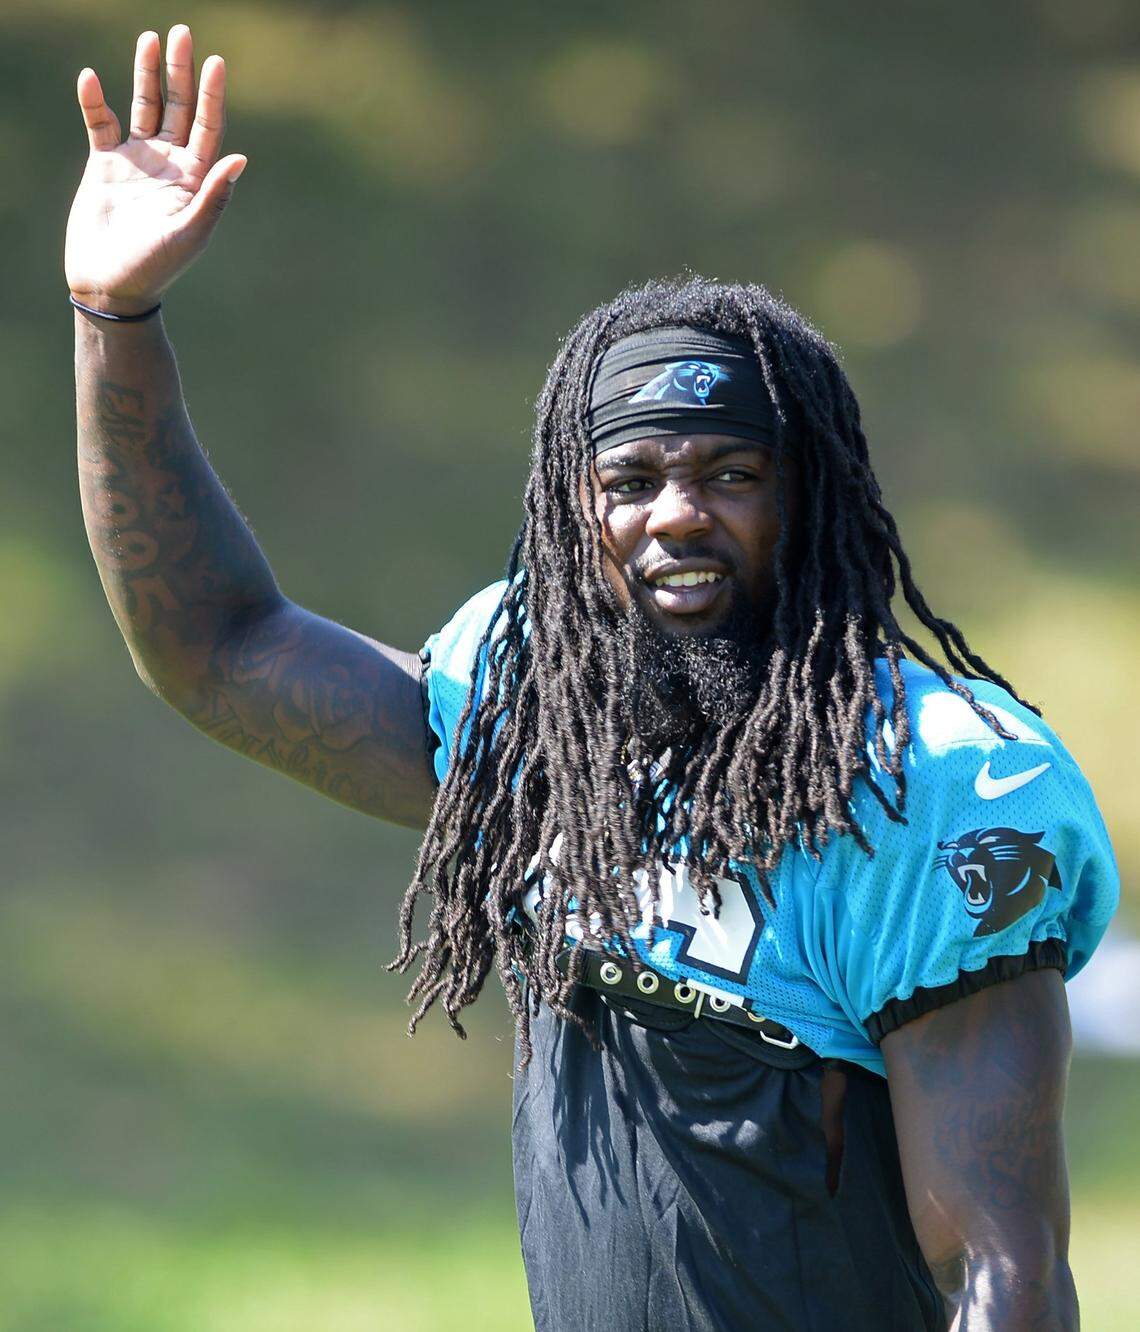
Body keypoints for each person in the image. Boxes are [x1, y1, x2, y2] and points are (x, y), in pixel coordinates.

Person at [68, 24, 1118, 1332]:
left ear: (813, 500)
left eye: (732, 474)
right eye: (632, 480)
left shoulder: (932, 790)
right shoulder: (531, 712)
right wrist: (114, 322)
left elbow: (1006, 1273)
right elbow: (219, 648)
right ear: (577, 514)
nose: (677, 514)